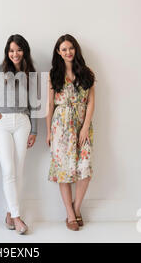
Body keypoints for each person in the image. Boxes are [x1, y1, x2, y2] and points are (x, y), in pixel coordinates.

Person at [0, 34, 37, 235]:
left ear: (24, 51)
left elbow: (34, 104)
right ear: (7, 52)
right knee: (8, 169)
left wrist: (35, 130)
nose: (15, 54)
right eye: (12, 50)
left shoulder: (30, 72)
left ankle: (9, 212)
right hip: (1, 123)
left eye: (19, 50)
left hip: (23, 122)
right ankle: (16, 217)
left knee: (19, 170)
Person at [46, 34, 95, 231]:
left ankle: (76, 208)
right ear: (58, 52)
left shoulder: (87, 72)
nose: (68, 52)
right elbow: (50, 104)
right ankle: (70, 214)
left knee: (85, 169)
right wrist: (49, 132)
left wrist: (85, 127)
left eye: (70, 48)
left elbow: (91, 102)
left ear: (76, 49)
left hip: (82, 125)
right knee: (64, 171)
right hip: (60, 126)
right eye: (64, 49)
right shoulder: (53, 74)